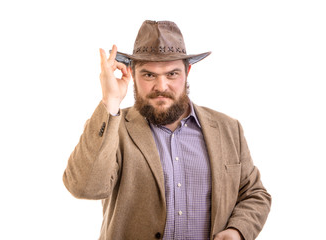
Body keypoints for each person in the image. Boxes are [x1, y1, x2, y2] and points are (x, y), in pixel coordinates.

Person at [63, 20, 271, 240]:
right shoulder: (114, 127)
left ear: (187, 72)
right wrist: (110, 100)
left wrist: (237, 231)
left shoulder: (228, 129)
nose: (161, 87)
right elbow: (83, 188)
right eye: (149, 75)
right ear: (132, 74)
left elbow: (255, 194)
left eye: (172, 74)